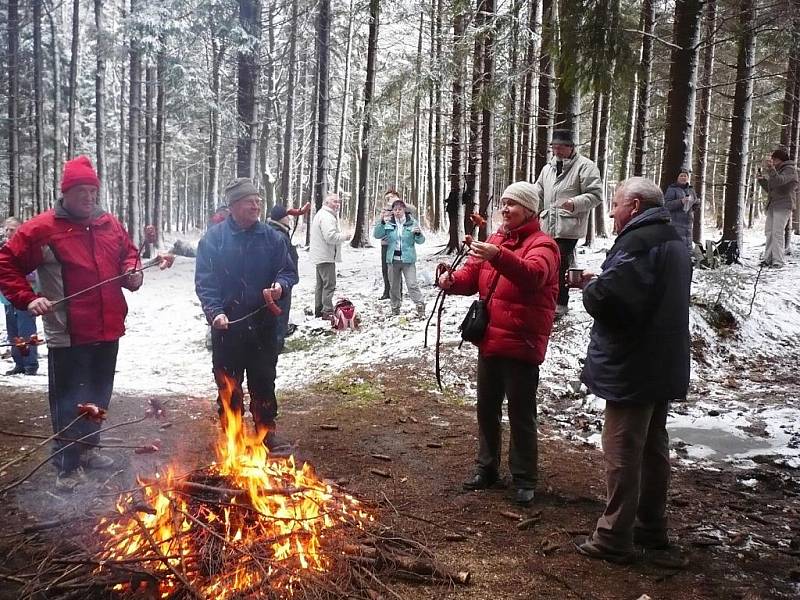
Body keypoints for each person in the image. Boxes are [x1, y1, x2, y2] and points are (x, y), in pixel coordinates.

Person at [0, 155, 143, 492]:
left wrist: (131, 272)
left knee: (98, 394)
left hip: (108, 327)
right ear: (65, 193)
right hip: (68, 330)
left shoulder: (108, 223)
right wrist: (27, 297)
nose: (89, 197)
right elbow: (6, 260)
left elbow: (129, 252)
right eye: (82, 191)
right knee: (69, 399)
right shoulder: (42, 228)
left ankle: (89, 451)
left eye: (93, 191)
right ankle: (67, 464)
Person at [570, 176, 690, 564]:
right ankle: (651, 527)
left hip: (633, 364)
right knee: (654, 447)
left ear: (634, 206)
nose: (612, 211)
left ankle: (613, 538)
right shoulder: (672, 238)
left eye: (617, 204)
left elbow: (610, 299)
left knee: (622, 450)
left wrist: (591, 287)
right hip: (661, 360)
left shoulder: (639, 242)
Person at [438, 182, 559, 506]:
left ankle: (524, 478)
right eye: (503, 204)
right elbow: (472, 276)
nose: (506, 210)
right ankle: (486, 468)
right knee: (486, 409)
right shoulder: (495, 241)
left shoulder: (544, 245)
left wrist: (499, 255)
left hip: (521, 343)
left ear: (530, 210)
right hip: (490, 339)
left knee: (521, 413)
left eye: (513, 204)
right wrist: (451, 281)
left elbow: (533, 275)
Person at [195, 178, 299, 452]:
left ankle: (266, 433)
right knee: (229, 385)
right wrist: (214, 312)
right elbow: (205, 282)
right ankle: (233, 438)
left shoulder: (272, 238)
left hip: (263, 325)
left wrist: (281, 286)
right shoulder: (214, 240)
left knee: (264, 381)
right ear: (233, 206)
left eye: (258, 201)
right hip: (227, 327)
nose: (256, 206)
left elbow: (288, 272)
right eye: (249, 201)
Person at [534, 129, 603, 318]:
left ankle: (560, 304)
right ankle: (547, 300)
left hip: (569, 226)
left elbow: (595, 195)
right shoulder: (547, 169)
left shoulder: (586, 167)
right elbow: (538, 192)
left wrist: (574, 203)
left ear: (571, 147)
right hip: (547, 225)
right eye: (553, 147)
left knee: (561, 265)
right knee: (547, 263)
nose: (556, 151)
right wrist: (530, 207)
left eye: (560, 147)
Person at [374, 197, 426, 318]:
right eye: (395, 209)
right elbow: (377, 235)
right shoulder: (388, 224)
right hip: (393, 260)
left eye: (400, 209)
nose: (397, 211)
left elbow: (421, 241)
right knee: (394, 286)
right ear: (392, 211)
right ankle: (395, 308)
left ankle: (420, 306)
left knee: (412, 284)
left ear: (404, 210)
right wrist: (381, 221)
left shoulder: (412, 223)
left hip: (408, 260)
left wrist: (418, 234)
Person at [1, 217, 39, 375]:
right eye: (7, 229)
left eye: (13, 229)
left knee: (26, 331)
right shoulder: (4, 248)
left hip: (25, 296)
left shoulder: (27, 247)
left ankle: (30, 363)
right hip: (8, 297)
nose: (9, 232)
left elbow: (33, 272)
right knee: (13, 333)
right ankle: (19, 363)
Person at [267, 204, 301, 352]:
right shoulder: (279, 235)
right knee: (280, 313)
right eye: (287, 217)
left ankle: (276, 342)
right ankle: (277, 344)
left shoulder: (276, 231)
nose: (289, 219)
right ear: (282, 218)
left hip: (282, 280)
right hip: (280, 282)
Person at [757, 148, 798, 268]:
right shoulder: (778, 170)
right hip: (773, 204)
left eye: (774, 159)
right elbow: (772, 188)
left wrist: (771, 169)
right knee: (769, 232)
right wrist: (762, 181)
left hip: (784, 205)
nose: (772, 161)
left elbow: (779, 181)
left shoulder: (790, 170)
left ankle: (778, 261)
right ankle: (768, 258)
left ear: (780, 159)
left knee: (777, 233)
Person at [309, 193, 349, 319]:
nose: (337, 204)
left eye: (338, 201)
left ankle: (319, 309)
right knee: (329, 284)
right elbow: (330, 237)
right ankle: (327, 311)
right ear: (326, 203)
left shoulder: (322, 214)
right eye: (334, 201)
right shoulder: (327, 217)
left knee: (320, 284)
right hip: (325, 256)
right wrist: (345, 237)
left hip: (320, 255)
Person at [663, 169, 698, 254]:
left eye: (685, 176)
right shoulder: (672, 189)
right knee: (677, 250)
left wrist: (695, 203)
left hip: (688, 225)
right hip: (676, 224)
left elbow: (694, 204)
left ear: (688, 178)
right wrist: (681, 201)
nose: (683, 178)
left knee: (688, 249)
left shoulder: (691, 189)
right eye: (681, 176)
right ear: (677, 178)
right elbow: (667, 205)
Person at [378, 191, 398, 300]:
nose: (388, 200)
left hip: (396, 244)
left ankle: (396, 292)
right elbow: (380, 225)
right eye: (387, 198)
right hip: (385, 243)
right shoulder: (384, 210)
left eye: (391, 198)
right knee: (385, 269)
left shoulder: (401, 209)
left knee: (395, 269)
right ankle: (387, 291)